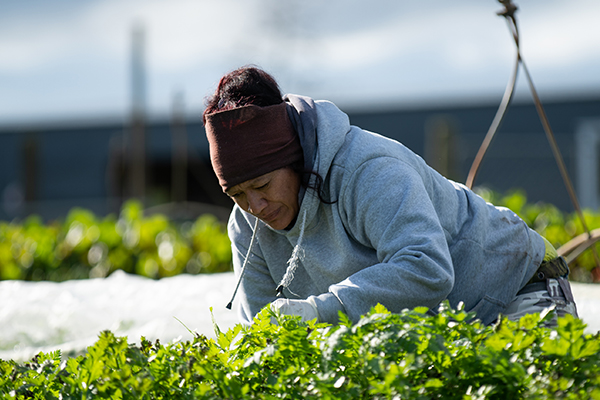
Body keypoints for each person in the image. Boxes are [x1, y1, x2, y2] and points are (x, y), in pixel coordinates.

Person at [202, 66, 578, 327]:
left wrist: (319, 312)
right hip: (437, 323)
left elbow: (426, 268)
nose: (256, 207)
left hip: (517, 285)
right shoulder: (246, 224)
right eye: (237, 194)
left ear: (295, 160)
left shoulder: (367, 170)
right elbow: (265, 332)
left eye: (264, 186)